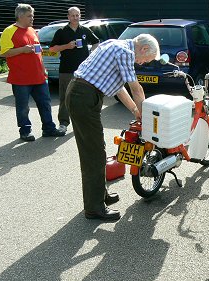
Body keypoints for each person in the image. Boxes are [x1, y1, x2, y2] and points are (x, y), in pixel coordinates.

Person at [65, 34, 160, 221]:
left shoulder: (115, 45)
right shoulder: (125, 52)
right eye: (144, 60)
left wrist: (135, 110)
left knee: (97, 150)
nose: (141, 64)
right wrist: (147, 120)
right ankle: (94, 208)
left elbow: (118, 87)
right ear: (143, 49)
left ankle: (99, 196)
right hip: (84, 96)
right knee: (93, 154)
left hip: (82, 94)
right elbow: (136, 88)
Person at [0, 3, 65, 141]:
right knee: (23, 107)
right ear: (20, 16)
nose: (32, 18)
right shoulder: (9, 31)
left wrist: (43, 70)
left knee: (45, 103)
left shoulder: (32, 30)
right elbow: (2, 52)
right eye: (29, 16)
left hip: (39, 76)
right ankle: (25, 131)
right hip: (20, 78)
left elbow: (38, 52)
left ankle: (49, 128)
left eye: (32, 15)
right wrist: (22, 49)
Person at [49, 6, 100, 134]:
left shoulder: (85, 30)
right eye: (73, 15)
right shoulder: (61, 31)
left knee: (84, 98)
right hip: (66, 70)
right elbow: (52, 49)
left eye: (77, 15)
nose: (75, 17)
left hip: (83, 71)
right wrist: (67, 46)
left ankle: (82, 123)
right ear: (68, 17)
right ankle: (63, 124)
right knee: (64, 98)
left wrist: (91, 53)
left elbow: (96, 42)